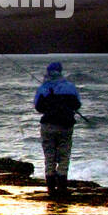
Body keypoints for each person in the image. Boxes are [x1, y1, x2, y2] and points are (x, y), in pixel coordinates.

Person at [33, 62, 81, 200]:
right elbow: (77, 104)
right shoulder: (70, 87)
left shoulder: (44, 88)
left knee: (49, 157)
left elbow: (38, 108)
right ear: (60, 71)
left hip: (47, 125)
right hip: (65, 126)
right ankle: (62, 187)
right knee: (64, 156)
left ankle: (51, 189)